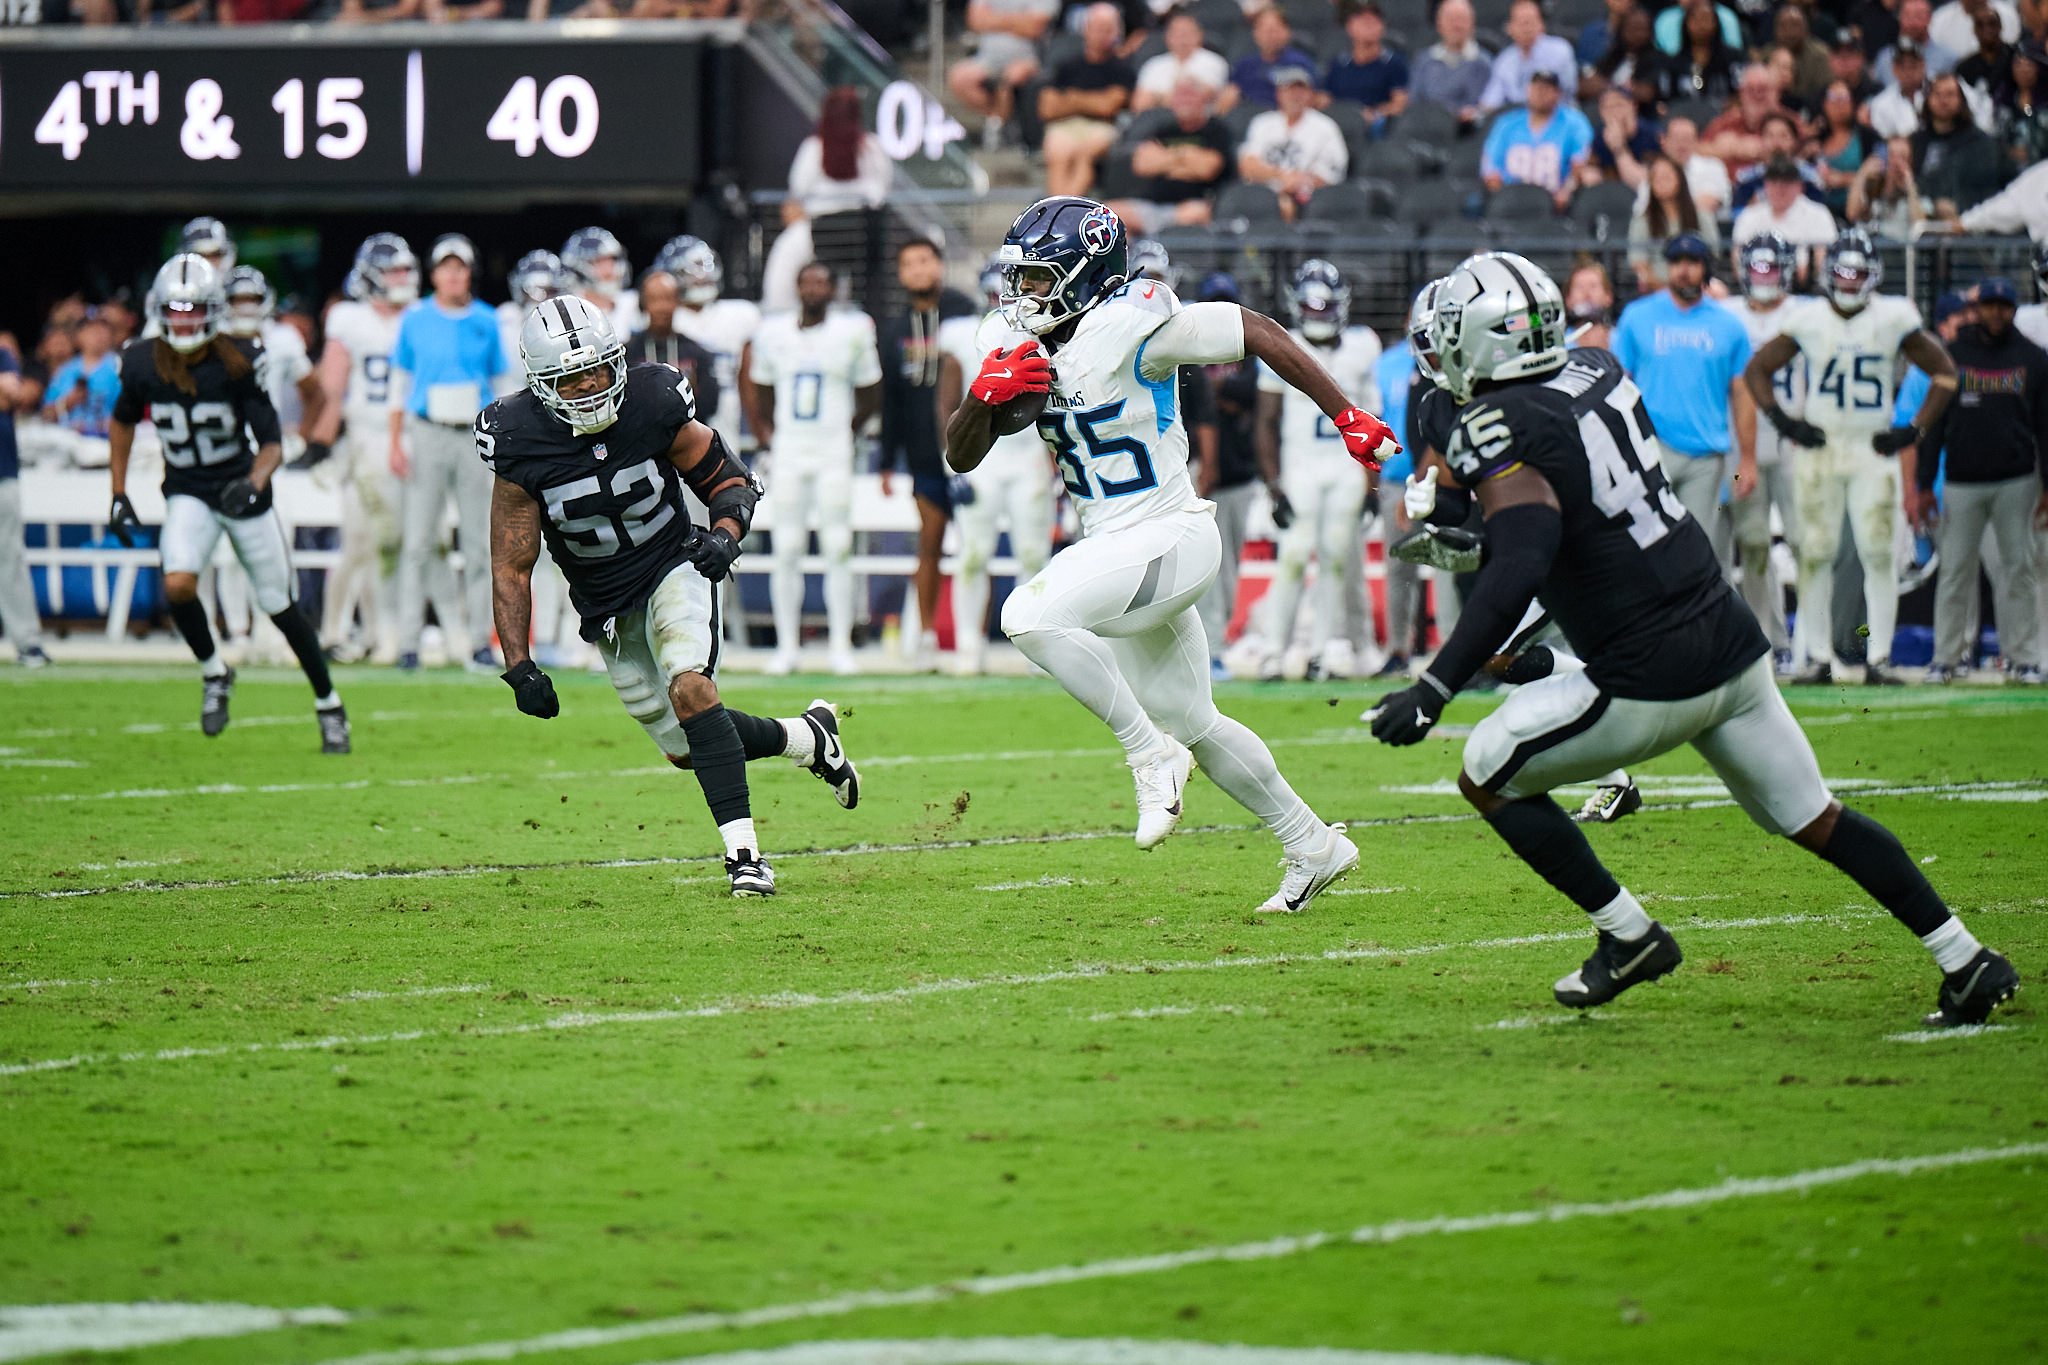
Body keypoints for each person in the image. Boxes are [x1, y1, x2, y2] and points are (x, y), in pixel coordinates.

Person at [1366, 250, 2017, 1029]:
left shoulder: (1501, 423)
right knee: (1817, 817)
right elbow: (1575, 511)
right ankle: (1965, 956)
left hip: (1649, 670)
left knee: (1486, 772)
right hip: (1727, 636)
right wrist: (1475, 523)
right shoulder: (1599, 369)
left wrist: (1434, 686)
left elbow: (1528, 551)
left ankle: (1630, 934)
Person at [947, 196, 1399, 912]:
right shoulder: (1010, 338)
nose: (1020, 294)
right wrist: (980, 399)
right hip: (1117, 549)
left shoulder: (1135, 321)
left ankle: (1147, 752)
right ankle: (1312, 843)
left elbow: (1255, 331)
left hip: (1171, 532)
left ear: (1085, 274)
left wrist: (1345, 413)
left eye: (1036, 278)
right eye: (1019, 278)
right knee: (1198, 722)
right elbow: (963, 453)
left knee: (1027, 615)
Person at [481, 295, 859, 899]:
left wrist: (725, 538)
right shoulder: (517, 438)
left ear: (617, 361)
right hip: (605, 606)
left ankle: (746, 859)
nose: (589, 386)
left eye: (599, 369)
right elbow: (511, 565)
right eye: (571, 377)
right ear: (541, 383)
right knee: (689, 748)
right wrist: (518, 665)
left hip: (672, 564)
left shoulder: (654, 400)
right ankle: (808, 739)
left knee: (691, 688)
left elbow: (728, 479)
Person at [108, 256, 349, 753]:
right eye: (175, 310)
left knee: (280, 606)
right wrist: (117, 492)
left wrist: (255, 479)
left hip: (240, 490)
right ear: (159, 311)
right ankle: (215, 672)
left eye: (194, 309)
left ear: (213, 311)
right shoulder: (139, 361)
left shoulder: (238, 359)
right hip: (188, 489)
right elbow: (122, 421)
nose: (184, 321)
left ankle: (329, 703)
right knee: (178, 583)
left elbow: (272, 443)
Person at [1744, 228, 1959, 685]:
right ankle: (1819, 657)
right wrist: (1787, 424)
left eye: (1856, 273)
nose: (1847, 281)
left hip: (1870, 447)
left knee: (1878, 552)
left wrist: (1913, 430)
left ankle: (1878, 657)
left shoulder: (1893, 317)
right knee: (1817, 552)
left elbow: (1945, 374)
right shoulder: (1809, 319)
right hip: (1822, 449)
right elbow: (1756, 370)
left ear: (1872, 275)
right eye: (1841, 273)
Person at [749, 261, 883, 677]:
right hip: (790, 450)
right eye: (807, 281)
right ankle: (787, 647)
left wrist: (846, 432)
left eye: (821, 282)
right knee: (786, 548)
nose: (813, 289)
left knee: (837, 547)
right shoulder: (773, 333)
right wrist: (773, 437)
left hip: (832, 452)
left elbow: (871, 391)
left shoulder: (853, 330)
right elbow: (761, 390)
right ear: (796, 287)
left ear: (832, 289)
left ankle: (840, 645)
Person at [1253, 261, 1382, 682]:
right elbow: (1266, 422)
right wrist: (1274, 486)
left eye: (1325, 308)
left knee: (1337, 559)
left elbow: (1373, 422)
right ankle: (1274, 649)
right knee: (1291, 557)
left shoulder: (1363, 346)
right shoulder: (1282, 343)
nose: (1318, 316)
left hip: (1345, 470)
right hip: (1300, 468)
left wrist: (1372, 485)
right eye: (1312, 308)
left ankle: (1324, 650)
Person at [1917, 277, 2047, 683]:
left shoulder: (2034, 358)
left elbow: (2046, 428)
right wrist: (1923, 484)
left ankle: (2023, 659)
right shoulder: (1951, 356)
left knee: (2019, 569)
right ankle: (1946, 658)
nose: (1996, 313)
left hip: (2017, 481)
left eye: (2003, 306)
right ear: (1979, 309)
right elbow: (1932, 424)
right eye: (1989, 305)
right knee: (1955, 571)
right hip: (1961, 480)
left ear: (2013, 310)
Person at [308, 234, 432, 663]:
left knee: (398, 541)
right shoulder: (349, 318)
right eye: (393, 270)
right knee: (365, 541)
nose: (402, 278)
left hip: (414, 435)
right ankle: (338, 632)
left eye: (405, 269)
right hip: (365, 437)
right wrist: (319, 444)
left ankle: (381, 633)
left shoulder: (420, 315)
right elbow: (332, 387)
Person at [938, 258, 1059, 676]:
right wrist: (948, 464)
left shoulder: (1051, 327)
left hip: (1028, 456)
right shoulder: (962, 333)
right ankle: (968, 644)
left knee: (1033, 553)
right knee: (972, 554)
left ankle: (1037, 645)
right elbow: (948, 401)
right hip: (981, 460)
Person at [389, 234, 504, 671]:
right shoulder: (415, 319)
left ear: (468, 272)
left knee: (477, 543)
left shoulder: (486, 320)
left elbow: (497, 385)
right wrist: (395, 440)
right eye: (446, 268)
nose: (453, 275)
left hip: (472, 434)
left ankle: (478, 641)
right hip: (428, 431)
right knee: (417, 540)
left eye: (460, 267)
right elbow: (401, 383)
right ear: (434, 273)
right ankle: (408, 642)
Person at [1613, 233, 1756, 572]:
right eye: (1677, 262)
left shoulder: (1730, 326)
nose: (1684, 271)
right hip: (1649, 449)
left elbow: (1743, 395)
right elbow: (1618, 386)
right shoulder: (1636, 317)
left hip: (1705, 456)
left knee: (1698, 552)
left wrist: (1747, 459)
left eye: (1692, 263)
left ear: (1706, 269)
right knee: (1643, 548)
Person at [879, 238, 977, 668]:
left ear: (939, 264)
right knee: (930, 543)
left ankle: (973, 639)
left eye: (925, 260)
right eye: (908, 262)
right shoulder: (894, 327)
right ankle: (927, 637)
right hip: (921, 449)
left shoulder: (965, 313)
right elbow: (890, 398)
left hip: (971, 449)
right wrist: (886, 458)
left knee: (975, 546)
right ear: (901, 273)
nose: (918, 269)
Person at [1723, 234, 1808, 661]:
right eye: (1757, 269)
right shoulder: (1725, 315)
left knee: (1804, 541)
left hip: (1795, 444)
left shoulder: (1808, 313)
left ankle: (1813, 643)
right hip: (1743, 452)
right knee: (1753, 543)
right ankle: (1769, 641)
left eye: (1770, 269)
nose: (1764, 277)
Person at [1190, 271, 1264, 681]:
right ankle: (1210, 650)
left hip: (1239, 472)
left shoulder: (1248, 350)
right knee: (1204, 569)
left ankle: (1216, 642)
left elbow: (1248, 396)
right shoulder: (1187, 352)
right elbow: (1203, 405)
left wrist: (1223, 397)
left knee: (1229, 568)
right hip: (1205, 472)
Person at [658, 236, 761, 464]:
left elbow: (748, 382)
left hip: (725, 422)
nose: (702, 275)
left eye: (704, 265)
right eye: (692, 268)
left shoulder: (739, 316)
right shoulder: (664, 317)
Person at [1037, 4, 1135, 199]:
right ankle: (1057, 211)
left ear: (1117, 33)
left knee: (1085, 152)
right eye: (1097, 28)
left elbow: (1108, 107)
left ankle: (1066, 212)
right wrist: (1092, 101)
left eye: (1108, 30)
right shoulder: (1067, 65)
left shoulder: (1122, 69)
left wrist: (1071, 98)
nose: (1102, 35)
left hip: (1103, 127)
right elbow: (1047, 108)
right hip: (1065, 125)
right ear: (1086, 30)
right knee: (1058, 151)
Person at [1110, 78, 1231, 232]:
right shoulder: (1164, 130)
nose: (1185, 101)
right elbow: (1142, 166)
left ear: (1203, 100)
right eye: (1180, 96)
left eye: (1190, 96)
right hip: (1152, 206)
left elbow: (1207, 169)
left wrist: (1164, 160)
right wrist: (1185, 157)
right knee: (1107, 216)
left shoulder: (1215, 130)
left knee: (1196, 214)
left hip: (1193, 205)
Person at [1237, 66, 1348, 220]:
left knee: (1286, 206)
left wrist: (1298, 183)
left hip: (1305, 198)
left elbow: (1329, 174)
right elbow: (1248, 166)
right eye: (1289, 90)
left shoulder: (1325, 127)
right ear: (1279, 94)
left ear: (1310, 94)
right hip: (1260, 195)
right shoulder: (1262, 123)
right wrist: (1281, 176)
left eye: (1301, 90)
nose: (1295, 96)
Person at [949, 0, 1060, 147]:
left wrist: (992, 19)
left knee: (1009, 78)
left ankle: (1004, 132)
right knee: (959, 78)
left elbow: (1034, 27)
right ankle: (997, 123)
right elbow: (975, 20)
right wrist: (1018, 20)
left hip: (1030, 58)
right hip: (987, 59)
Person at [1480, 69, 1594, 210]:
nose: (1540, 93)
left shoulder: (1574, 123)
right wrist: (1502, 197)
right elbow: (1490, 166)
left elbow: (1580, 163)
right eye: (1536, 87)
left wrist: (1566, 191)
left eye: (1546, 88)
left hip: (1554, 201)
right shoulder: (1507, 124)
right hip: (1510, 198)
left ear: (1557, 94)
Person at [0, 337, 48, 668]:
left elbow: (15, 394)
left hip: (2, 472)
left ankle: (27, 641)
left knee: (10, 557)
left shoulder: (2, 353)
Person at [625, 271, 721, 422]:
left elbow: (710, 404)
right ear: (643, 303)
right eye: (654, 299)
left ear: (678, 301)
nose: (662, 307)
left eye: (668, 298)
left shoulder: (697, 353)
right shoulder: (627, 353)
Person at [1911, 73, 2009, 215]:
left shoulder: (1980, 143)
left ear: (1962, 100)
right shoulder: (1916, 140)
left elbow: (1989, 189)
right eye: (1937, 94)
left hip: (1967, 221)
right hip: (1921, 215)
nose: (1943, 100)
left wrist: (1960, 206)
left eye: (1950, 94)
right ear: (1927, 99)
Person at [1628, 155, 1719, 291]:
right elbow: (1638, 263)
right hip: (1656, 291)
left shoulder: (1702, 217)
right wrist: (1666, 290)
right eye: (1655, 177)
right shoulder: (1642, 221)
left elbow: (1712, 254)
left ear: (1680, 178)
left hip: (1699, 289)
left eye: (1666, 175)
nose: (1661, 181)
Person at [1731, 156, 1841, 267]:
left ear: (1799, 186)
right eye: (1774, 182)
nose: (1779, 189)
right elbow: (1738, 257)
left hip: (1807, 282)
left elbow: (1826, 260)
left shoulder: (1819, 214)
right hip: (1758, 278)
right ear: (1765, 185)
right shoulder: (1749, 215)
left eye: (1786, 183)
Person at [1323, 1, 1409, 130]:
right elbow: (1325, 100)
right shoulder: (1338, 65)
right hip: (1341, 126)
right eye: (1362, 20)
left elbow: (1400, 104)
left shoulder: (1394, 64)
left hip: (1378, 129)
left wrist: (1375, 114)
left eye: (1375, 20)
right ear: (1349, 26)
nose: (1369, 24)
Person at [1479, 0, 1578, 110]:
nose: (1526, 29)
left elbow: (1567, 92)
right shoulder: (1505, 60)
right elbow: (1490, 102)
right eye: (1521, 23)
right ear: (1510, 28)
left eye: (1530, 22)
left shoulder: (1560, 50)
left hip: (1556, 115)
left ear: (1541, 25)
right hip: (1517, 121)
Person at [1410, 0, 1492, 124]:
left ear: (1472, 23)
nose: (1456, 25)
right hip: (1427, 128)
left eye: (1461, 19)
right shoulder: (1424, 61)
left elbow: (1485, 108)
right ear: (1439, 23)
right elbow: (1414, 103)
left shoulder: (1484, 63)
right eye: (1451, 19)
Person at [1132, 10, 1228, 112]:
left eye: (1186, 33)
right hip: (1157, 121)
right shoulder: (1153, 64)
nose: (1182, 39)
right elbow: (1139, 104)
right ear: (1167, 37)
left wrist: (1157, 98)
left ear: (1199, 35)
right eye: (1176, 33)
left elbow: (1203, 96)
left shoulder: (1213, 62)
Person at [1224, 7, 1317, 111]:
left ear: (1287, 32)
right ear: (1255, 34)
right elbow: (1231, 93)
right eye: (1265, 31)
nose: (1270, 36)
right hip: (1251, 120)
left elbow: (1314, 97)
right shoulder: (1245, 65)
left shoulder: (1300, 63)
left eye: (1274, 30)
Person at [560, 225, 638, 343]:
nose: (610, 269)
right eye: (600, 261)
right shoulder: (567, 309)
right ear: (578, 265)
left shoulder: (633, 303)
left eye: (612, 260)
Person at [1658, 0, 1743, 103]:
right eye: (1695, 20)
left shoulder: (1732, 58)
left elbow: (1740, 92)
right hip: (1684, 115)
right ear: (1686, 23)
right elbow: (1668, 99)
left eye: (1705, 19)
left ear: (1715, 23)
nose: (1700, 25)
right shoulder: (1674, 64)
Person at [1876, 0, 1960, 80]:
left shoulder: (1948, 59)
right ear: (1899, 18)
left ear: (1930, 19)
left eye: (1918, 16)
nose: (1912, 22)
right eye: (1907, 16)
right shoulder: (1885, 59)